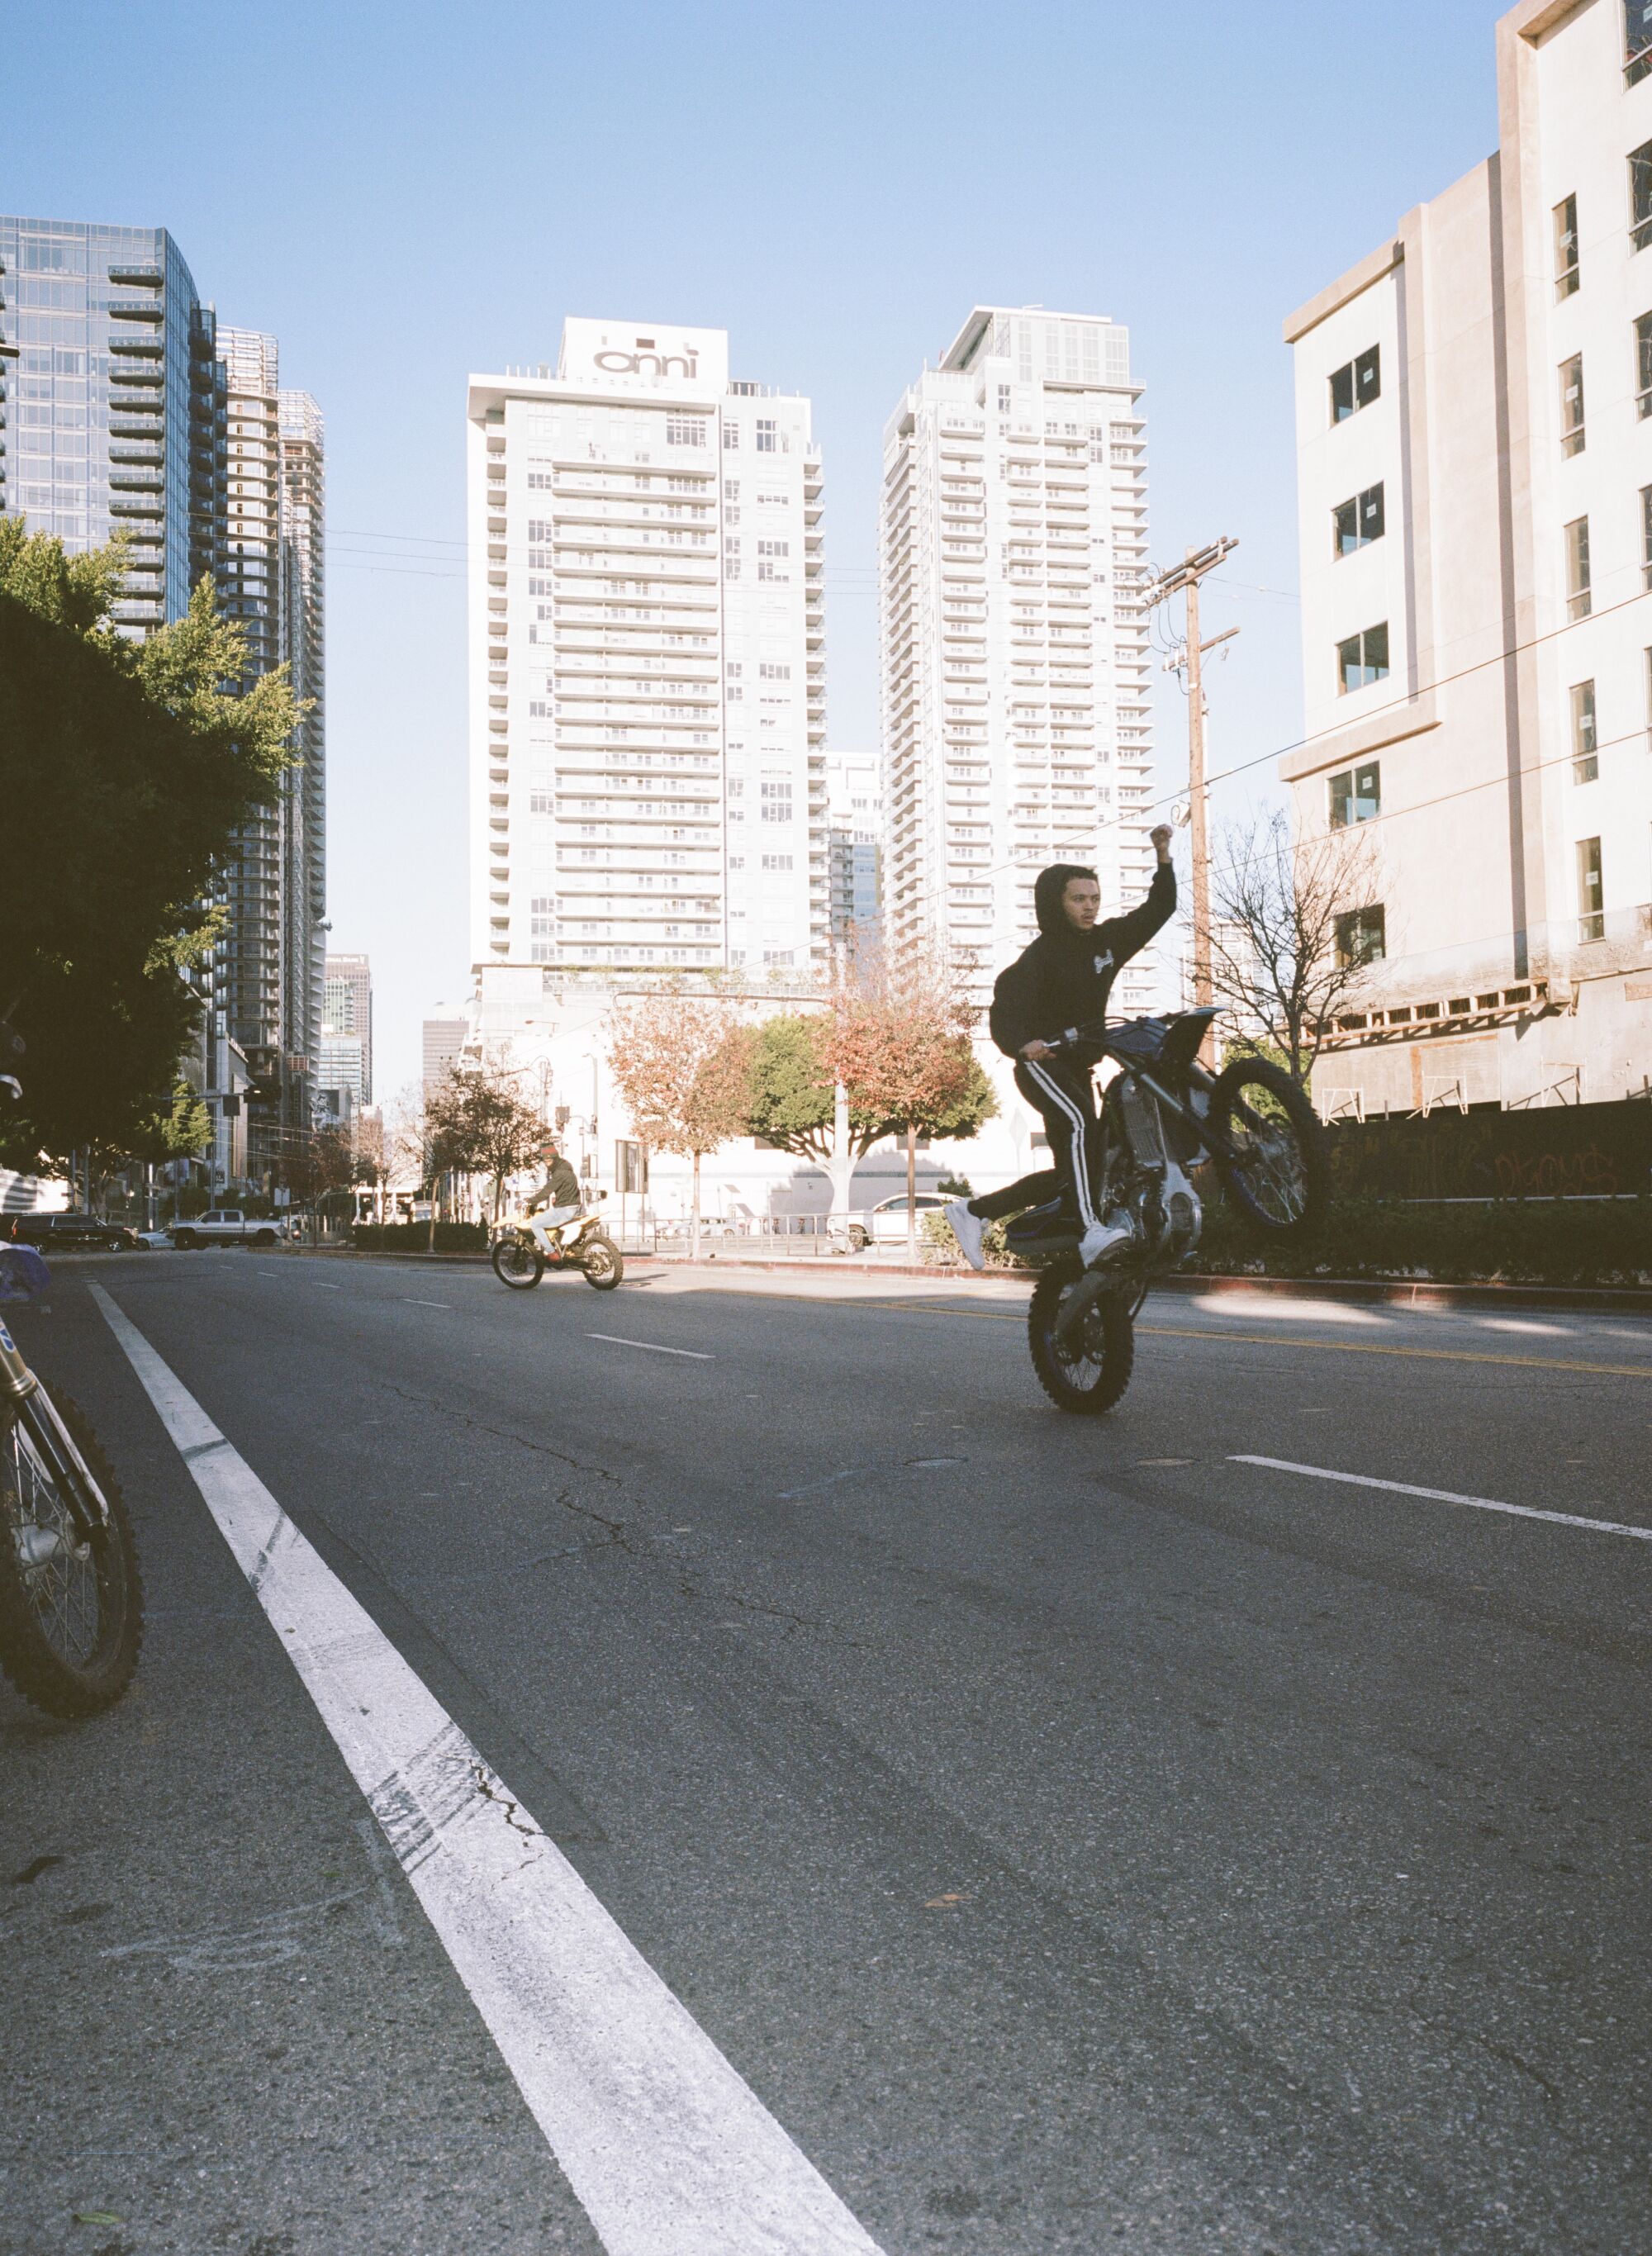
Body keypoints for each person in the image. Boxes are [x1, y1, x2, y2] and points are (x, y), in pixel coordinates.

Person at [947, 826, 1177, 1271]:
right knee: (1079, 1127)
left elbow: (1159, 909)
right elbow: (1005, 1007)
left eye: (1094, 898)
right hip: (1043, 1066)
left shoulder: (1107, 943)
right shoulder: (1040, 957)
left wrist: (1163, 856)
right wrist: (1021, 1045)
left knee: (1072, 1172)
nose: (1090, 907)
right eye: (1078, 899)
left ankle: (973, 1213)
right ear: (1057, 903)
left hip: (1078, 1070)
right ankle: (1093, 1233)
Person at [523, 1137, 583, 1255]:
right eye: (545, 1162)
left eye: (549, 1162)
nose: (547, 1164)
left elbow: (547, 1191)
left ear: (555, 1159)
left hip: (564, 1209)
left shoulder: (559, 1173)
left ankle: (551, 1252)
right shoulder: (566, 1168)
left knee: (535, 1224)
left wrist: (530, 1201)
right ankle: (561, 1248)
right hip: (573, 1207)